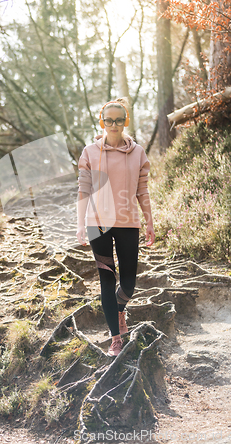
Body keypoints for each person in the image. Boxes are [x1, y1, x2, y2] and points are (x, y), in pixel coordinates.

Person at [76, 98, 155, 357]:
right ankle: (115, 338)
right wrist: (80, 225)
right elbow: (83, 191)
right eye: (108, 120)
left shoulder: (138, 153)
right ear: (102, 122)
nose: (113, 124)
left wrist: (149, 221)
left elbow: (142, 190)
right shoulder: (89, 152)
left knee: (129, 283)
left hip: (128, 223)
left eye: (118, 120)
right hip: (97, 225)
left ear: (125, 122)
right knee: (107, 280)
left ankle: (121, 308)